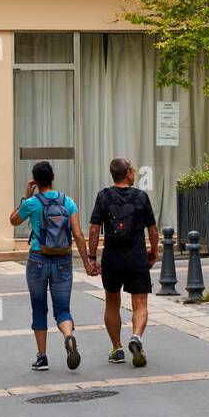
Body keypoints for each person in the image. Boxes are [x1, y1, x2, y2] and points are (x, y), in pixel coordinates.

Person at [10, 160, 95, 371]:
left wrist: (26, 197)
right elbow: (77, 234)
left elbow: (13, 221)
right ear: (53, 178)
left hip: (38, 259)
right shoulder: (68, 202)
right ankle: (68, 336)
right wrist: (87, 262)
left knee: (39, 308)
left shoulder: (32, 203)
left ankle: (42, 356)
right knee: (63, 309)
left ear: (36, 181)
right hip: (64, 260)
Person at [88, 157, 159, 368]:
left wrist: (92, 258)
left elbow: (93, 229)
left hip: (112, 259)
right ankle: (136, 336)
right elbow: (153, 229)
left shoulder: (103, 196)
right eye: (133, 170)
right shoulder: (141, 197)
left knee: (112, 303)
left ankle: (117, 348)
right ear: (128, 172)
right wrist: (153, 250)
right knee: (140, 303)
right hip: (136, 258)